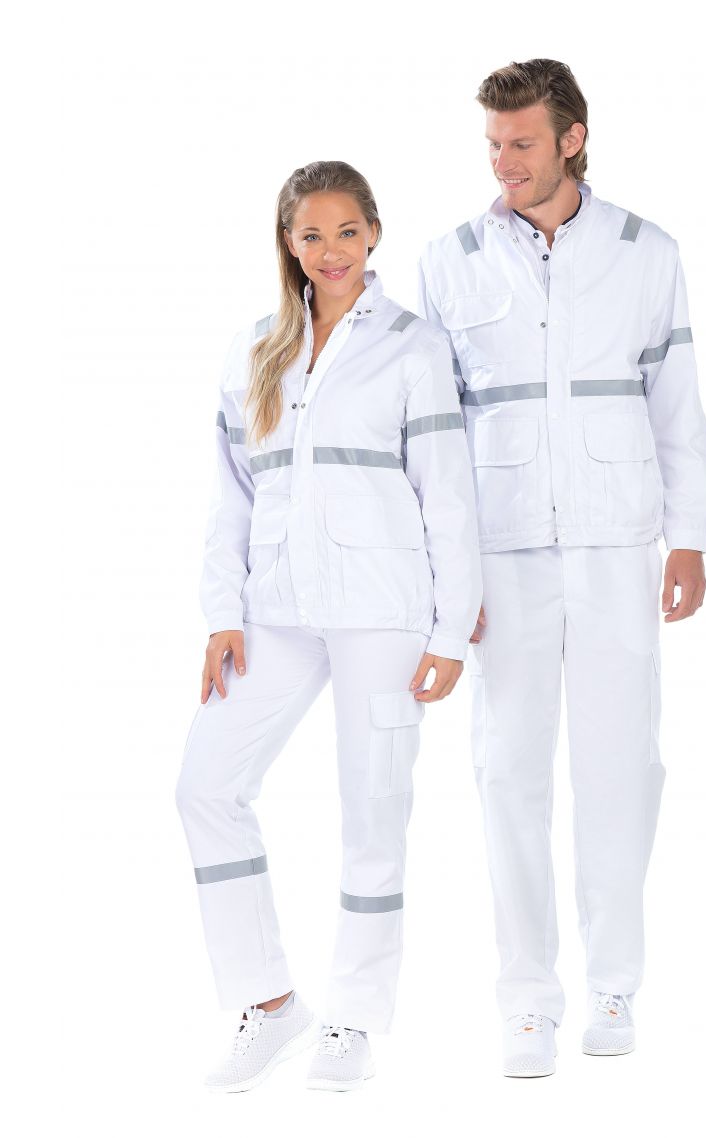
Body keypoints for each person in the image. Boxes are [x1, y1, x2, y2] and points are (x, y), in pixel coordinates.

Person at [418, 59, 706, 1077]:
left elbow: (676, 401)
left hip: (615, 544)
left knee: (621, 767)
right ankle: (527, 1002)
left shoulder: (645, 252)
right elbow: (435, 437)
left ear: (572, 138)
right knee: (507, 772)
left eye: (522, 143)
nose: (503, 162)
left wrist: (689, 535)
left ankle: (614, 985)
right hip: (500, 555)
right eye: (493, 144)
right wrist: (444, 579)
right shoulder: (449, 260)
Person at [176, 160, 482, 1093]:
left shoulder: (413, 347)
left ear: (374, 233)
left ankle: (352, 1016)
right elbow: (231, 497)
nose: (331, 250)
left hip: (382, 611)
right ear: (289, 242)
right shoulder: (254, 350)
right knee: (205, 786)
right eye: (311, 234)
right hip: (275, 608)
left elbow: (449, 497)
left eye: (348, 231)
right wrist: (222, 614)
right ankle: (270, 1003)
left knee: (373, 807)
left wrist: (451, 628)